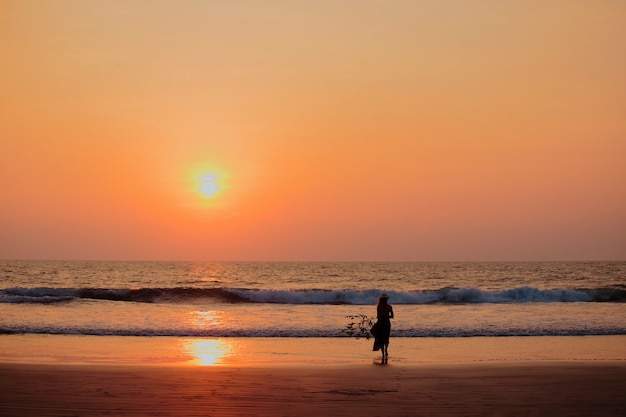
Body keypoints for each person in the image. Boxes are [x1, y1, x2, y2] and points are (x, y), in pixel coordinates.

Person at [372, 293, 394, 362]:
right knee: (384, 338)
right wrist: (386, 316)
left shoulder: (380, 306)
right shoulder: (389, 307)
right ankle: (384, 351)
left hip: (382, 323)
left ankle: (384, 351)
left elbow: (378, 316)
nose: (385, 301)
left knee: (382, 337)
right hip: (385, 323)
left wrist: (384, 317)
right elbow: (392, 316)